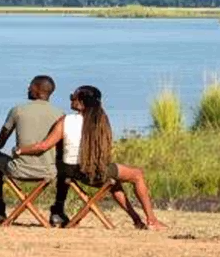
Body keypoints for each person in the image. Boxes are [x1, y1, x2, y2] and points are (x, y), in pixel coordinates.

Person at [61, 84, 165, 230]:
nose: (71, 99)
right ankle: (152, 220)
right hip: (93, 170)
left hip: (75, 171)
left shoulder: (66, 121)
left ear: (81, 102)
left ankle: (137, 220)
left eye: (73, 97)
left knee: (115, 183)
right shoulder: (100, 121)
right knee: (137, 174)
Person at [0, 75, 64, 224]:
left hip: (19, 169)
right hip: (49, 172)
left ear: (38, 90)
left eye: (31, 85)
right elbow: (60, 147)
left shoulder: (18, 110)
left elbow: (2, 137)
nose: (28, 88)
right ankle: (58, 211)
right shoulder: (60, 114)